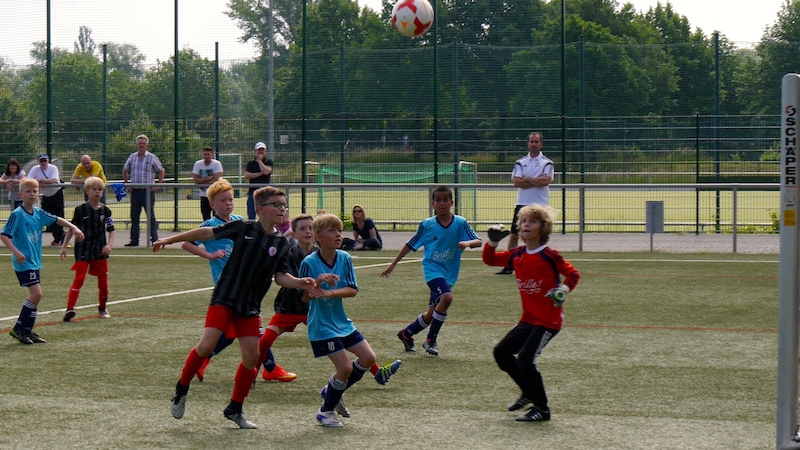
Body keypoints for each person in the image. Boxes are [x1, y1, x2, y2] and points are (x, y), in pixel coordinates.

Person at [154, 186, 315, 430]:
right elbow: (207, 232)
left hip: (250, 307)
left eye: (284, 205)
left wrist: (299, 282)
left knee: (252, 357)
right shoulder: (244, 227)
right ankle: (181, 389)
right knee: (207, 346)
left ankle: (235, 408)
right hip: (225, 298)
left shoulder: (282, 243)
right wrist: (170, 239)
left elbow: (281, 277)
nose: (282, 209)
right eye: (276, 204)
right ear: (260, 209)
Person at [256, 213, 401, 389]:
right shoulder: (291, 255)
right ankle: (252, 374)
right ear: (293, 234)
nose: (308, 232)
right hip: (291, 307)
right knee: (266, 340)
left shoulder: (324, 253)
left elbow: (348, 289)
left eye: (310, 228)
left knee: (344, 336)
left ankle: (377, 372)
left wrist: (326, 289)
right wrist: (314, 282)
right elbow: (294, 283)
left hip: (314, 309)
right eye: (302, 228)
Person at [180, 179, 295, 383]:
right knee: (251, 330)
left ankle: (206, 359)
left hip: (248, 285)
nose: (228, 204)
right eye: (223, 200)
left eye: (231, 199)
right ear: (212, 204)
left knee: (234, 333)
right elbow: (187, 244)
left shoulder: (239, 221)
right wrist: (210, 255)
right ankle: (269, 367)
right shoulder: (210, 225)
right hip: (227, 285)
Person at [482, 205, 580, 422]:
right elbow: (490, 260)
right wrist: (492, 242)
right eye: (524, 221)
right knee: (502, 352)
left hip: (548, 320)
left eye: (532, 221)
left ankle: (542, 409)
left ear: (543, 228)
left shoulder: (549, 255)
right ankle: (528, 392)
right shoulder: (517, 254)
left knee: (526, 358)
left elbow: (573, 275)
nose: (526, 225)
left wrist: (563, 290)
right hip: (528, 319)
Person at [381, 185, 482, 356]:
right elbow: (410, 245)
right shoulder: (427, 225)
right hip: (432, 270)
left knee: (431, 314)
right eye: (438, 200)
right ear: (433, 203)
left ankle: (406, 333)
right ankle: (430, 340)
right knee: (447, 298)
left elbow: (478, 241)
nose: (442, 203)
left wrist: (468, 243)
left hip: (449, 273)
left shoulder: (460, 223)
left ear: (452, 202)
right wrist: (393, 264)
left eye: (445, 200)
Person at [299, 213, 378, 427]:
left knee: (368, 358)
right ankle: (325, 412)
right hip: (322, 326)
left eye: (340, 231)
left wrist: (329, 292)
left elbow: (352, 290)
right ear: (318, 237)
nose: (338, 235)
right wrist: (317, 283)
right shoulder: (309, 262)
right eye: (332, 231)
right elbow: (304, 298)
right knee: (345, 368)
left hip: (341, 322)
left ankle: (332, 390)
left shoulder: (344, 258)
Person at [1, 178, 84, 345]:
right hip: (23, 261)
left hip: (34, 261)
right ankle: (18, 328)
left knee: (36, 297)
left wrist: (73, 227)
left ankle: (27, 330)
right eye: (28, 191)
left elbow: (57, 219)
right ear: (20, 195)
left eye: (34, 191)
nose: (32, 194)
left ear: (38, 194)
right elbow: (4, 235)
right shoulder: (17, 214)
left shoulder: (38, 213)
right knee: (36, 294)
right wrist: (16, 252)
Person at [497, 132, 553, 275]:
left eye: (536, 142)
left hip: (540, 205)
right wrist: (535, 181)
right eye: (532, 141)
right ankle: (509, 265)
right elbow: (517, 182)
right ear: (528, 144)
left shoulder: (547, 163)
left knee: (539, 236)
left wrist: (526, 179)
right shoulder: (520, 162)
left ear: (541, 144)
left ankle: (539, 264)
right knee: (514, 234)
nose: (534, 144)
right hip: (522, 204)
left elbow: (545, 181)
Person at [60, 177, 115, 321]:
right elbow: (71, 228)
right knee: (79, 279)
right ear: (87, 191)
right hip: (83, 250)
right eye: (94, 189)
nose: (97, 192)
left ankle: (102, 308)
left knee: (103, 283)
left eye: (100, 189)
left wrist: (109, 245)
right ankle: (70, 309)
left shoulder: (106, 211)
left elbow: (111, 229)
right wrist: (64, 246)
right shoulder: (80, 210)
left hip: (99, 251)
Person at [122, 134, 165, 247]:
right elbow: (125, 169)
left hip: (147, 192)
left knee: (150, 216)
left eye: (143, 143)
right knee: (134, 216)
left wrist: (159, 184)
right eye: (140, 143)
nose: (141, 145)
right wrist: (127, 183)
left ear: (147, 145)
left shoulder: (151, 157)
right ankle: (134, 240)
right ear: (136, 145)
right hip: (135, 191)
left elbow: (161, 170)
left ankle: (154, 239)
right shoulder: (132, 157)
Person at [27, 153, 66, 246]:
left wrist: (39, 180)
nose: (43, 163)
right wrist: (40, 183)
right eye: (41, 161)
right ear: (38, 162)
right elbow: (28, 180)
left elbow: (54, 180)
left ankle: (59, 237)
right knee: (47, 217)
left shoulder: (53, 168)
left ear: (48, 161)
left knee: (58, 215)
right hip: (46, 195)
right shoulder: (35, 169)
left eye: (45, 160)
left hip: (56, 194)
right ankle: (59, 236)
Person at [192, 146, 223, 220]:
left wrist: (203, 183)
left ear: (212, 155)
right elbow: (196, 180)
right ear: (202, 155)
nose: (206, 156)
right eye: (205, 154)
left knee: (218, 217)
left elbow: (216, 179)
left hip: (216, 195)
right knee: (205, 217)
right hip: (204, 195)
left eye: (208, 154)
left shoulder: (217, 164)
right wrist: (209, 178)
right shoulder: (198, 164)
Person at [244, 142, 273, 220]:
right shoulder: (250, 163)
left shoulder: (268, 162)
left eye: (262, 150)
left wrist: (260, 161)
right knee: (251, 215)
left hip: (265, 193)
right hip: (253, 192)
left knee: (266, 214)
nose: (261, 152)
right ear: (255, 151)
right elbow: (247, 175)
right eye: (259, 150)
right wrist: (260, 173)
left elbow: (266, 171)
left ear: (265, 151)